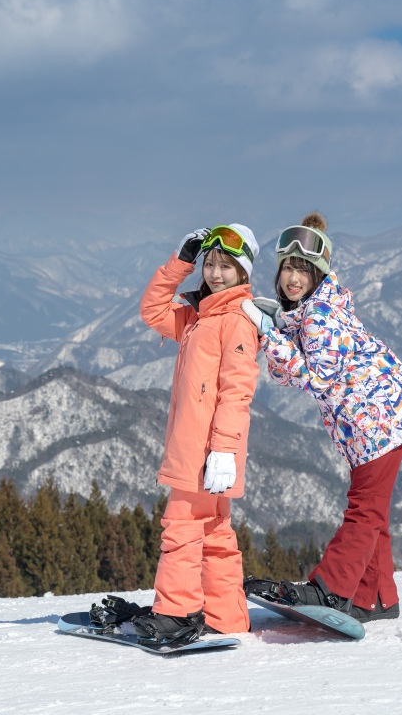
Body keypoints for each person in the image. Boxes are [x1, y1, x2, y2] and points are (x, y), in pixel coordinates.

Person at [240, 211, 402, 623]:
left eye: (302, 270)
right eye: (287, 268)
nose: (292, 278)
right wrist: (280, 330)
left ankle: (332, 589)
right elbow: (288, 372)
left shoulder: (319, 315)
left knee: (365, 508)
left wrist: (271, 334)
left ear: (317, 274)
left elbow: (316, 378)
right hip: (376, 419)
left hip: (379, 419)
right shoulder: (310, 311)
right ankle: (375, 598)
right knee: (372, 510)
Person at [128, 224, 261, 643]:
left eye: (226, 266)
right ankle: (226, 616)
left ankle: (177, 612)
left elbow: (237, 392)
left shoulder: (236, 321)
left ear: (243, 272)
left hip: (206, 452)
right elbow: (152, 310)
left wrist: (223, 450)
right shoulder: (197, 316)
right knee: (213, 531)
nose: (216, 274)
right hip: (201, 450)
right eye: (210, 264)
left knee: (181, 525)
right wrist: (180, 262)